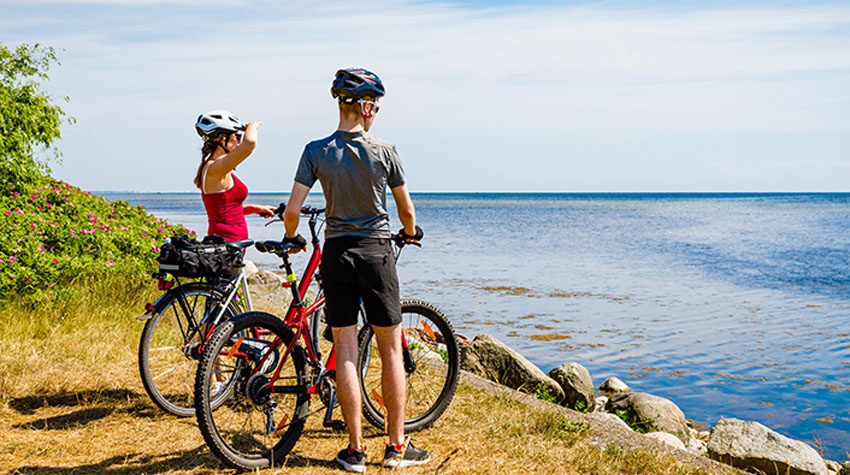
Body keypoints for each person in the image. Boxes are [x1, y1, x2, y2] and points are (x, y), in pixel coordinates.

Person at [282, 68, 429, 472]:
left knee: (344, 349)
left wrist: (293, 237)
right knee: (390, 350)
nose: (376, 112)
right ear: (365, 106)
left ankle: (355, 451)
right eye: (375, 105)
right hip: (376, 253)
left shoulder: (315, 150)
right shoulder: (384, 150)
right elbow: (406, 211)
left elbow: (292, 210)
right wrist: (411, 232)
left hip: (336, 254)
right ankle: (397, 448)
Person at [193, 110, 275, 242]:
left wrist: (256, 209)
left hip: (230, 245)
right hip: (227, 245)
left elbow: (225, 211)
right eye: (236, 137)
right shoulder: (216, 167)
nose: (239, 142)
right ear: (222, 139)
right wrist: (252, 126)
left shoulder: (216, 167)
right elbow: (250, 143)